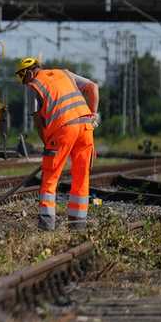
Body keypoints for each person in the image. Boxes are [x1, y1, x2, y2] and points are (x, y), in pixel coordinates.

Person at [14, 57, 100, 231]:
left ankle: (46, 227)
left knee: (49, 178)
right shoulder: (65, 73)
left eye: (24, 79)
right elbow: (93, 88)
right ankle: (77, 226)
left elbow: (38, 121)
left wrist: (47, 143)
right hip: (85, 127)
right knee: (81, 177)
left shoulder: (34, 85)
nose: (25, 83)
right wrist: (93, 116)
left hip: (63, 130)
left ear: (29, 73)